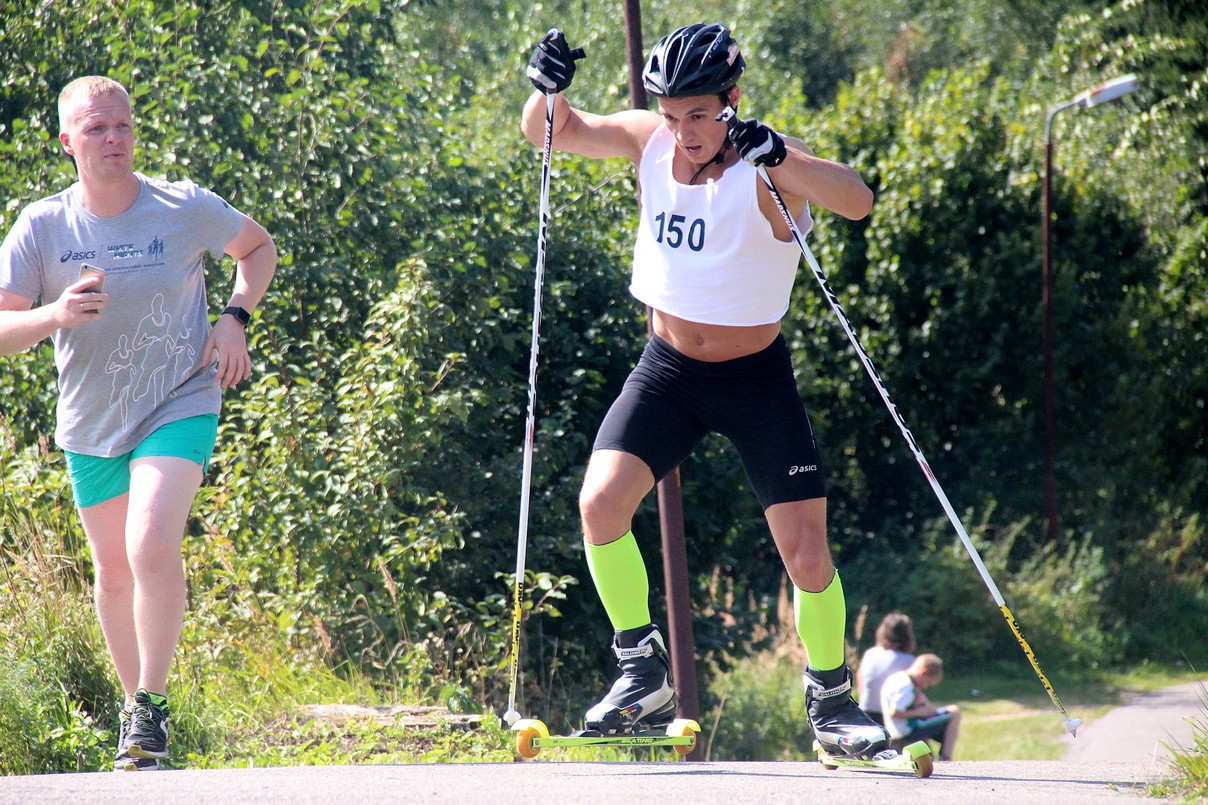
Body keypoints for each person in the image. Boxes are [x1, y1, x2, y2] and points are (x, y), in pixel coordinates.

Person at [522, 24, 888, 758]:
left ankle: (833, 701)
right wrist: (544, 88)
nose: (684, 131)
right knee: (599, 502)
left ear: (731, 100)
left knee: (807, 554)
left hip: (754, 379)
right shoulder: (651, 142)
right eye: (671, 114)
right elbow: (552, 134)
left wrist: (781, 154)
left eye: (699, 114)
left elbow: (857, 200)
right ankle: (641, 671)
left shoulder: (763, 160)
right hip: (668, 371)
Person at [0, 76, 277, 771]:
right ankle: (136, 719)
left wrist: (234, 317)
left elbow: (258, 247)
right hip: (91, 419)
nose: (113, 139)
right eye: (95, 129)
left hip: (179, 397)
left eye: (122, 126)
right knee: (114, 569)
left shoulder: (181, 206)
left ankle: (151, 704)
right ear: (67, 142)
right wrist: (54, 315)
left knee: (150, 541)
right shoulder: (42, 225)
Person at [880, 653, 962, 760]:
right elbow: (895, 711)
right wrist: (921, 712)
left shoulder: (899, 678)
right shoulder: (906, 686)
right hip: (908, 729)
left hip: (899, 729)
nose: (925, 686)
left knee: (941, 715)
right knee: (954, 712)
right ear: (923, 672)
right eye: (928, 682)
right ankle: (945, 757)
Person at [856, 611, 917, 726]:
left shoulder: (870, 654)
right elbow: (912, 695)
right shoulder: (909, 660)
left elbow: (861, 688)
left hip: (866, 713)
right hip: (889, 717)